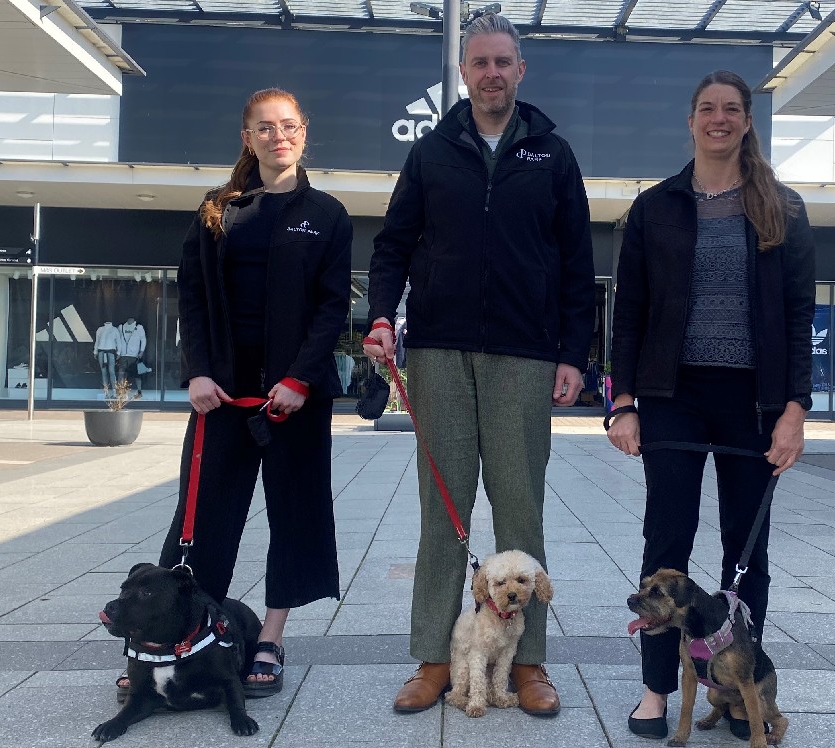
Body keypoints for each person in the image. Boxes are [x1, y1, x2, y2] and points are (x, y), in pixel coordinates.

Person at [363, 12, 595, 718]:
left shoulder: (552, 155)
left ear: (521, 71)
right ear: (462, 73)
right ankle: (436, 657)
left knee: (520, 512)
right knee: (445, 513)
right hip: (438, 351)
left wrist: (572, 355)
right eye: (479, 62)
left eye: (503, 62)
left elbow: (579, 266)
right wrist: (379, 317)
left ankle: (528, 665)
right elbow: (391, 245)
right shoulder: (432, 153)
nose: (491, 73)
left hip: (524, 357)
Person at [606, 70, 816, 740]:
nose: (718, 119)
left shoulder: (780, 206)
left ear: (747, 121)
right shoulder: (656, 207)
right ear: (690, 120)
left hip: (753, 401)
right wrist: (624, 402)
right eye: (706, 109)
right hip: (672, 395)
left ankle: (736, 689)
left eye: (731, 110)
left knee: (743, 555)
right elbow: (630, 312)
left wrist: (795, 411)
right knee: (665, 539)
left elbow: (798, 313)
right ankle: (656, 690)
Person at [134, 88, 351, 701]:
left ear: (304, 132)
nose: (277, 136)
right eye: (265, 127)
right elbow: (194, 298)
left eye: (288, 126)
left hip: (295, 402)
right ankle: (179, 636)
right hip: (221, 399)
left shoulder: (328, 215)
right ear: (247, 137)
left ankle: (271, 637)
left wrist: (300, 379)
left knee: (296, 516)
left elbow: (333, 307)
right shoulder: (216, 210)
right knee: (201, 522)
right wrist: (198, 373)